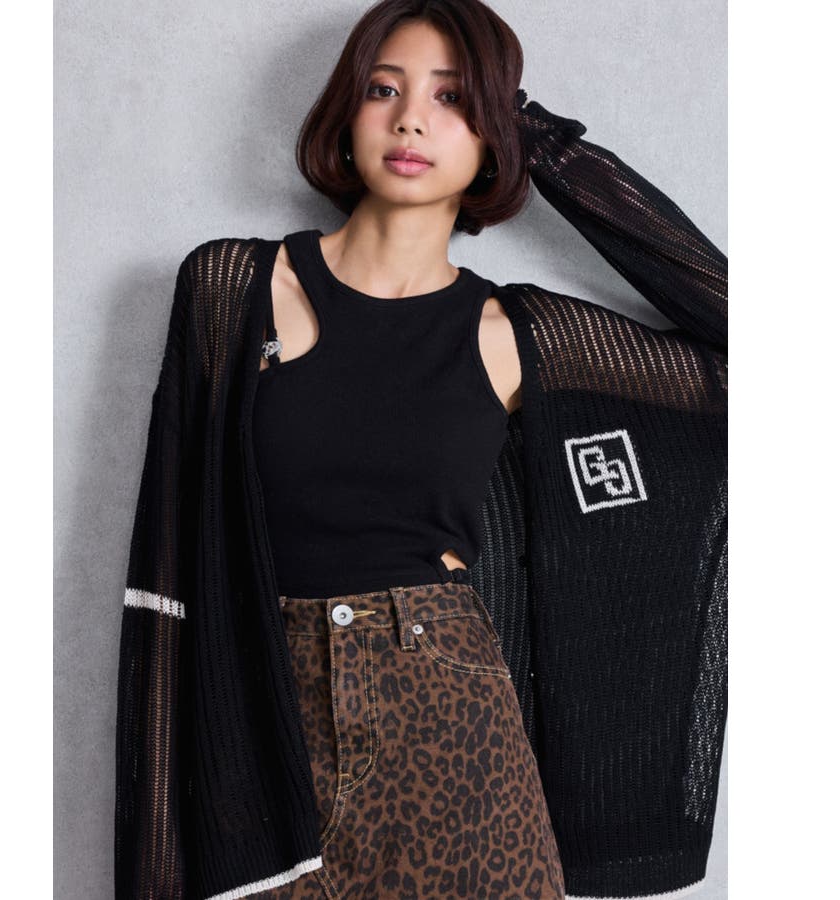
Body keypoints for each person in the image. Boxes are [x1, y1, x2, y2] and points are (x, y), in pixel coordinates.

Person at [114, 2, 727, 899]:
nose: (410, 120)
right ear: (345, 114)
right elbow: (173, 555)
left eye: (453, 99)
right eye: (383, 90)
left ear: (492, 137)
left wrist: (550, 149)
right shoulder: (231, 286)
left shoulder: (515, 336)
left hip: (452, 728)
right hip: (258, 724)